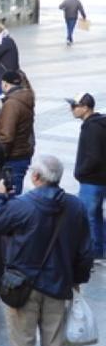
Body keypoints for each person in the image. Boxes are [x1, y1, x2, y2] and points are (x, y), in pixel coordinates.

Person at [0, 154, 94, 346]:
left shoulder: (22, 205)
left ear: (36, 177)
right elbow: (85, 251)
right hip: (58, 285)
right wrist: (77, 281)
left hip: (22, 286)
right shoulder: (75, 206)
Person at [68, 93, 105, 260]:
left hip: (92, 181)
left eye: (74, 106)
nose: (72, 109)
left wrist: (80, 172)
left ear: (85, 107)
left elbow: (94, 157)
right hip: (98, 179)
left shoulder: (92, 128)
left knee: (88, 218)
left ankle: (92, 253)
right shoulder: (97, 124)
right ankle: (99, 250)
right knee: (95, 216)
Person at [0, 71, 35, 193]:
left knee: (11, 195)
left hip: (13, 157)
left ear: (5, 84)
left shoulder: (12, 104)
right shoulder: (24, 97)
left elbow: (7, 135)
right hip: (22, 152)